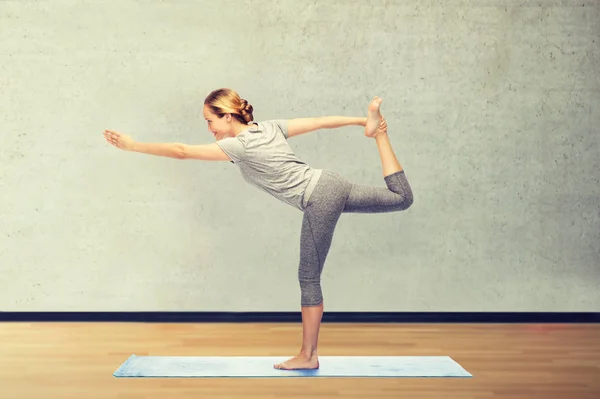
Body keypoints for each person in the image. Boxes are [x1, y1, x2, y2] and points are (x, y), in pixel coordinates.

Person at [103, 88, 414, 371]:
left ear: (228, 116)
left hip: (318, 197)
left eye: (211, 121)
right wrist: (364, 121)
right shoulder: (269, 127)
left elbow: (182, 151)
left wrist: (133, 145)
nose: (209, 129)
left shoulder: (238, 146)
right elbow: (320, 121)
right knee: (401, 199)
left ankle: (308, 355)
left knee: (308, 276)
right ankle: (381, 136)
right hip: (330, 184)